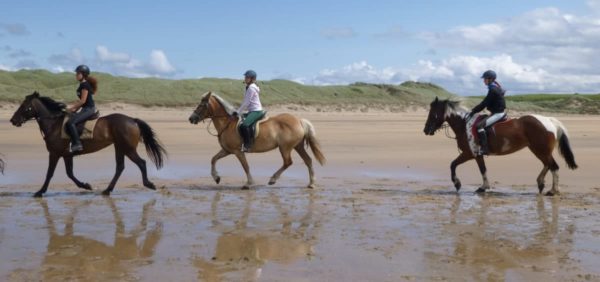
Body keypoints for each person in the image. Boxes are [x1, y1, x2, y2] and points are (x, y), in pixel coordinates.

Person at [466, 70, 506, 156]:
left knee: (479, 126)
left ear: (490, 79)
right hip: (496, 112)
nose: (484, 80)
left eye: (485, 79)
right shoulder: (495, 87)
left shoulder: (493, 90)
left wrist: (473, 111)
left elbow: (484, 103)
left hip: (498, 114)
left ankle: (485, 148)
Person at [65, 65, 97, 153]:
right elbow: (82, 102)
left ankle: (77, 144)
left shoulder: (85, 85)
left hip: (89, 109)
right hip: (85, 108)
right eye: (76, 73)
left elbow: (82, 101)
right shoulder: (82, 85)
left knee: (71, 123)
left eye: (78, 73)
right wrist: (74, 110)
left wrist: (71, 108)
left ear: (83, 74)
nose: (76, 75)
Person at [233, 70, 264, 152]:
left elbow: (246, 103)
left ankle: (248, 145)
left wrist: (238, 112)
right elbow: (245, 102)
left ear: (252, 79)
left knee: (244, 125)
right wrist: (238, 111)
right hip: (251, 111)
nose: (245, 78)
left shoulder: (251, 88)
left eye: (247, 77)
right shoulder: (247, 87)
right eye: (245, 77)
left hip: (256, 111)